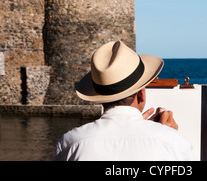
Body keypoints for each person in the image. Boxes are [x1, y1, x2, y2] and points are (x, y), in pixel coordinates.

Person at [54, 40, 196, 161]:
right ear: (141, 93)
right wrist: (169, 136)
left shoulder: (69, 144)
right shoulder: (174, 143)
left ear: (99, 96)